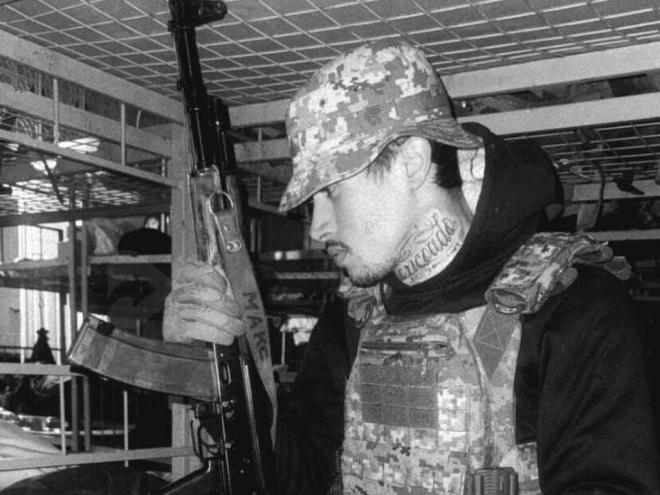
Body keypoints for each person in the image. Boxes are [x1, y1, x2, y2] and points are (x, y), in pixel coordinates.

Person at [163, 40, 660, 494]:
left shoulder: (573, 306)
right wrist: (222, 363)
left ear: (412, 162)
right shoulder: (354, 320)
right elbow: (299, 476)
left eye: (331, 193)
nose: (317, 229)